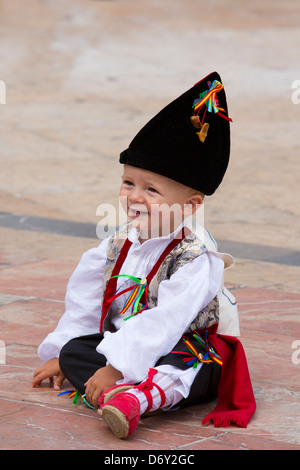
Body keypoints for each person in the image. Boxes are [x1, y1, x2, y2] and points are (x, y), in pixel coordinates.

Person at [32, 72, 256, 439]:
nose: (135, 196)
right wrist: (60, 352)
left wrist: (118, 367)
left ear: (190, 205)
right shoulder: (116, 245)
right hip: (130, 347)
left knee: (188, 363)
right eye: (128, 182)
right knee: (76, 351)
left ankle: (136, 397)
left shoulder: (196, 258)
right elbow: (86, 303)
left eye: (151, 189)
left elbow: (166, 323)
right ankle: (125, 394)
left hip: (186, 347)